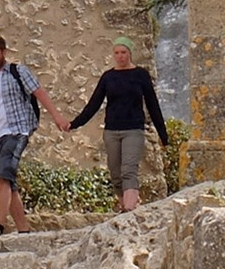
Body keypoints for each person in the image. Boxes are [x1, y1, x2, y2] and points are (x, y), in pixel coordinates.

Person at [0, 34, 70, 235]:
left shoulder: (18, 72)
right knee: (8, 181)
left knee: (3, 175)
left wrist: (58, 118)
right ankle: (24, 229)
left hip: (17, 130)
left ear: (4, 53)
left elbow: (39, 93)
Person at [68, 39, 168, 211]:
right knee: (115, 174)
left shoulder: (140, 75)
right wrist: (74, 124)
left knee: (129, 170)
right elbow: (94, 104)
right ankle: (124, 205)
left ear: (130, 53)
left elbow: (153, 105)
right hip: (112, 131)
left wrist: (163, 135)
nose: (120, 56)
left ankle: (129, 210)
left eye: (124, 52)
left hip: (134, 130)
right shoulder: (108, 77)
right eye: (117, 53)